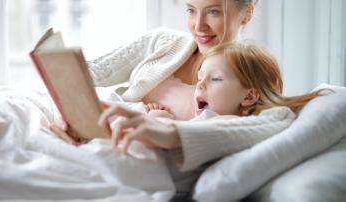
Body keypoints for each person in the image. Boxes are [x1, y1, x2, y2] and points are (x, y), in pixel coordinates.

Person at [50, 0, 259, 143]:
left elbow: (235, 136)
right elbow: (90, 75)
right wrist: (70, 116)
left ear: (247, 13)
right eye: (191, 11)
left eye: (213, 12)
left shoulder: (249, 79)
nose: (198, 26)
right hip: (102, 134)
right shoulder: (163, 41)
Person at [99, 41, 324, 154]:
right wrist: (160, 117)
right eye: (199, 77)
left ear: (249, 96)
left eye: (214, 79)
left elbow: (188, 138)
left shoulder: (230, 122)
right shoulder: (208, 116)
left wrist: (161, 120)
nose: (200, 84)